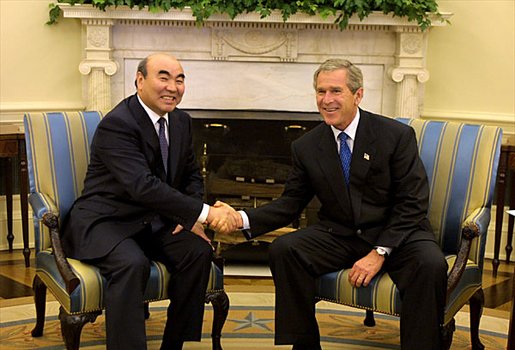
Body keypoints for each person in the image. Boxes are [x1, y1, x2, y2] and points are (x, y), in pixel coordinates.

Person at [212, 58, 448, 349]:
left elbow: (412, 201)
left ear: (357, 95)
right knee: (286, 249)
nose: (327, 100)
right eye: (321, 92)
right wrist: (240, 218)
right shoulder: (307, 146)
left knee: (430, 264)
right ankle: (304, 345)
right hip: (342, 234)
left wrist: (380, 252)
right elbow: (290, 204)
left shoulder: (395, 136)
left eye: (336, 91)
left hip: (399, 234)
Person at [62, 53, 238, 350]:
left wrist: (190, 218)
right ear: (140, 80)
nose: (173, 86)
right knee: (132, 264)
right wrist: (205, 214)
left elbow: (192, 175)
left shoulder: (181, 121)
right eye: (164, 77)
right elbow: (142, 186)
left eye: (180, 79)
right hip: (107, 219)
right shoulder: (117, 124)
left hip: (154, 219)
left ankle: (174, 344)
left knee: (197, 252)